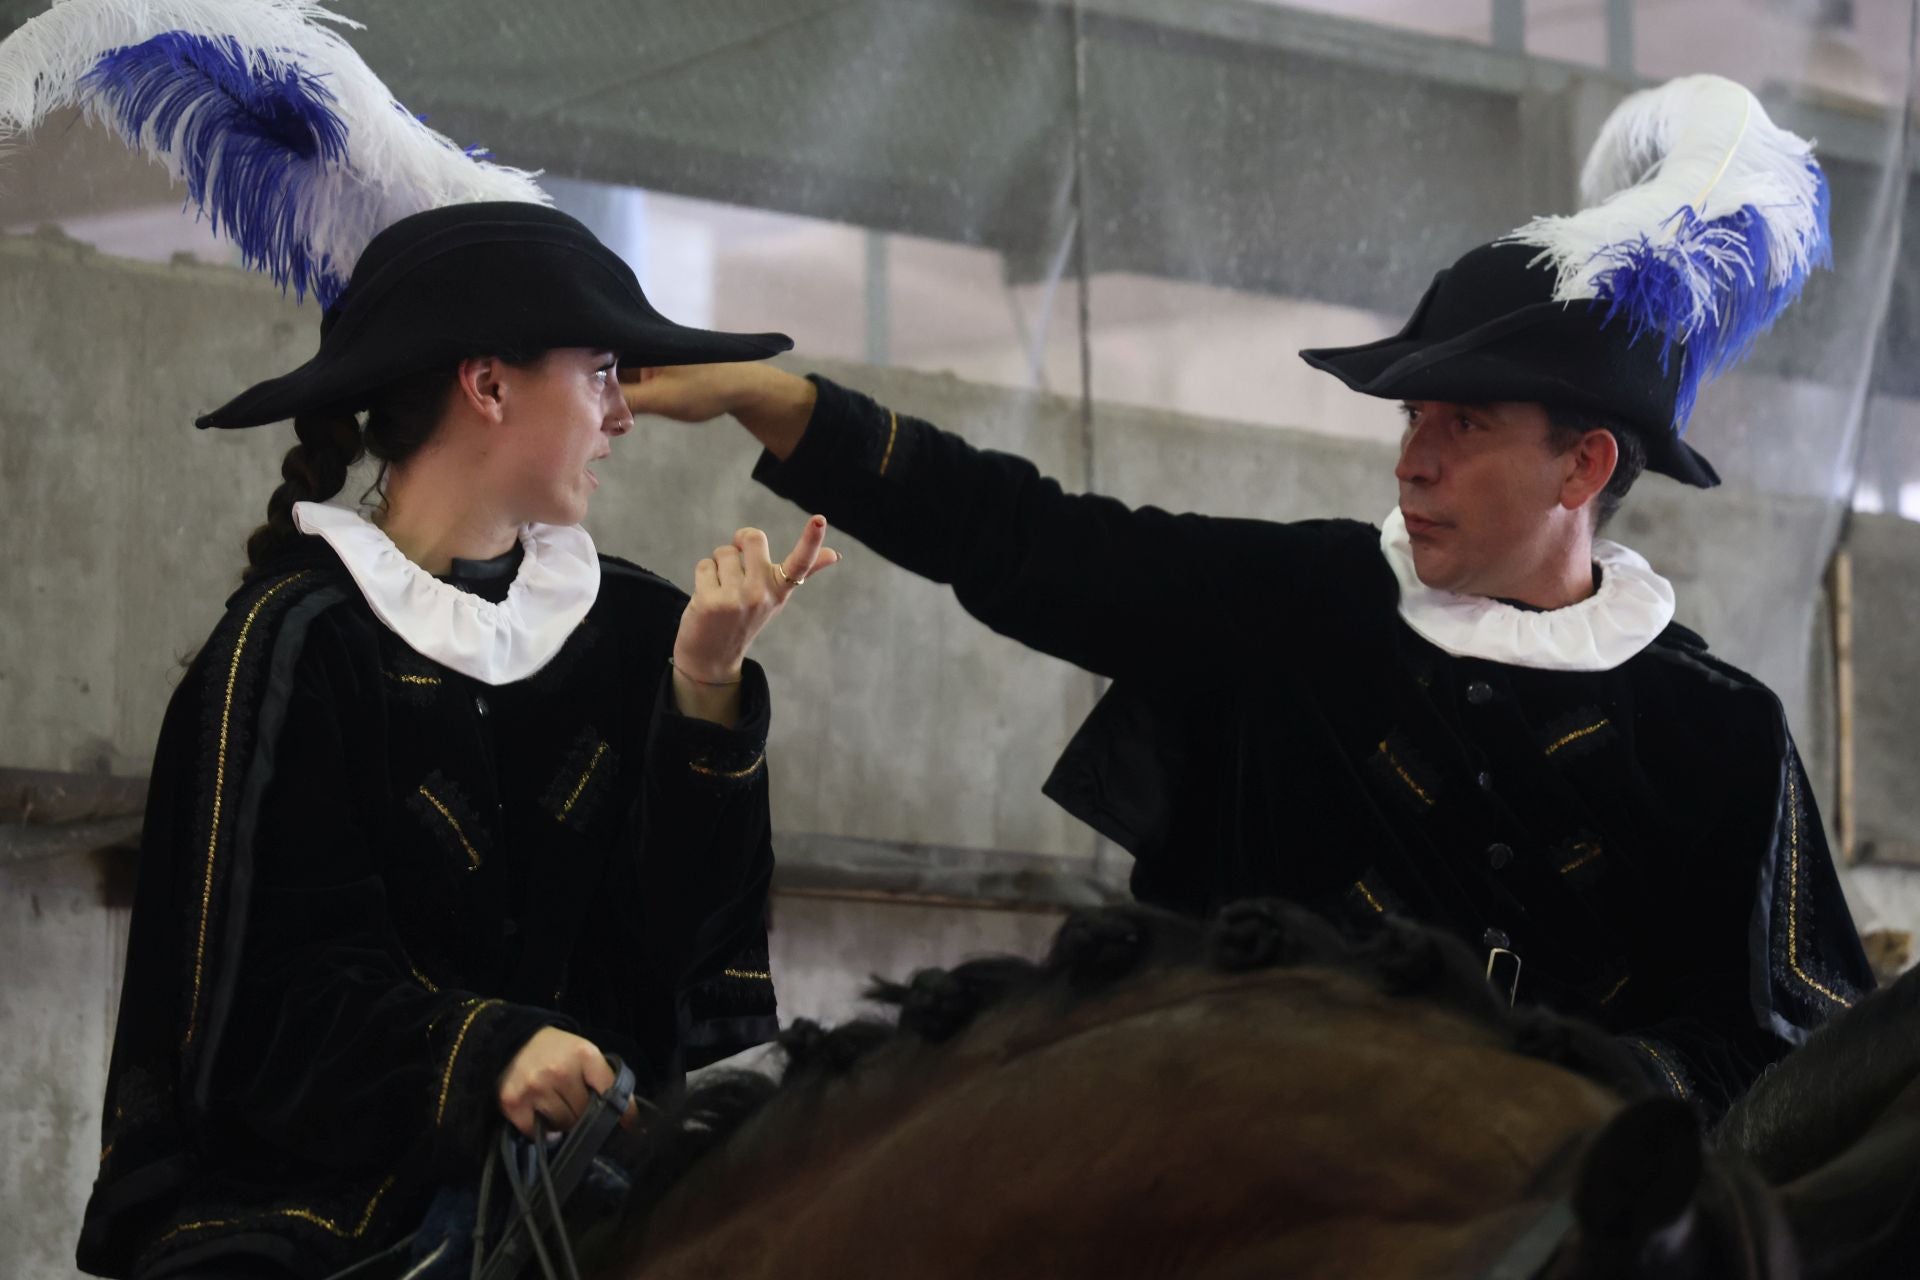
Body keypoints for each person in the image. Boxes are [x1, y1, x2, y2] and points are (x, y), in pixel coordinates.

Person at [624, 76, 1873, 1122]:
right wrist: (777, 403)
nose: (1413, 455)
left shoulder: (1723, 732)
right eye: (1413, 416)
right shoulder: (1307, 602)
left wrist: (1563, 1097)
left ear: (1584, 464)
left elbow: (1790, 1048)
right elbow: (1039, 543)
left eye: (1467, 423)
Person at [77, 202, 836, 1280]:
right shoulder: (292, 646)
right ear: (487, 386)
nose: (622, 415)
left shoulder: (632, 632)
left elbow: (681, 979)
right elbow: (262, 1009)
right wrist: (484, 1052)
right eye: (601, 372)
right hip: (320, 1226)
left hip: (582, 1206)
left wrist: (704, 691)